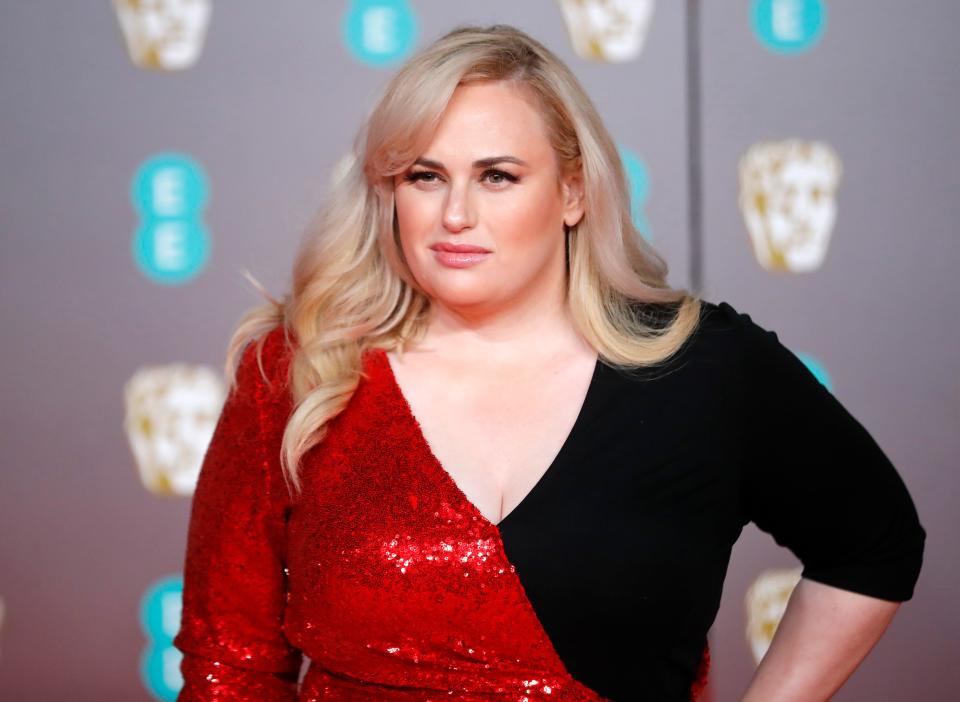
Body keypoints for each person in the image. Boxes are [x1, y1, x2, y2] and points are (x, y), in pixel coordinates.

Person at [172, 24, 926, 702]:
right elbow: (227, 664)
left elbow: (875, 544)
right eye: (424, 176)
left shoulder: (702, 368)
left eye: (497, 176)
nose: (454, 214)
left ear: (572, 192)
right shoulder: (301, 370)